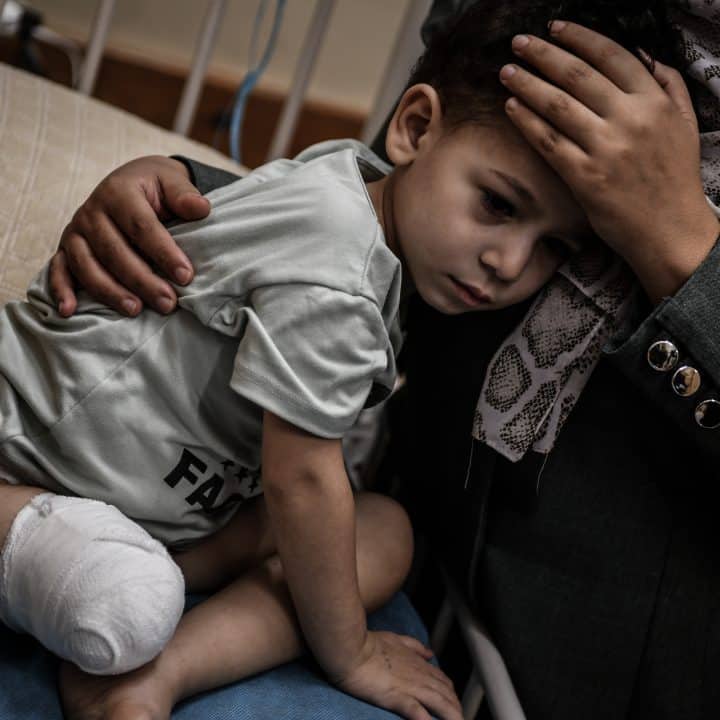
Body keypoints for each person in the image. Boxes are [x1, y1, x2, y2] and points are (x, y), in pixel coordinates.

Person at [19, 1, 720, 719]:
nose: (508, 263)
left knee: (383, 533)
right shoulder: (343, 277)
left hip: (160, 499)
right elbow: (300, 478)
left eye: (553, 250)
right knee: (267, 525)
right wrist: (351, 654)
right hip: (41, 458)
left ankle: (151, 673)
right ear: (415, 128)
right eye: (498, 206)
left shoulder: (351, 182)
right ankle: (93, 581)